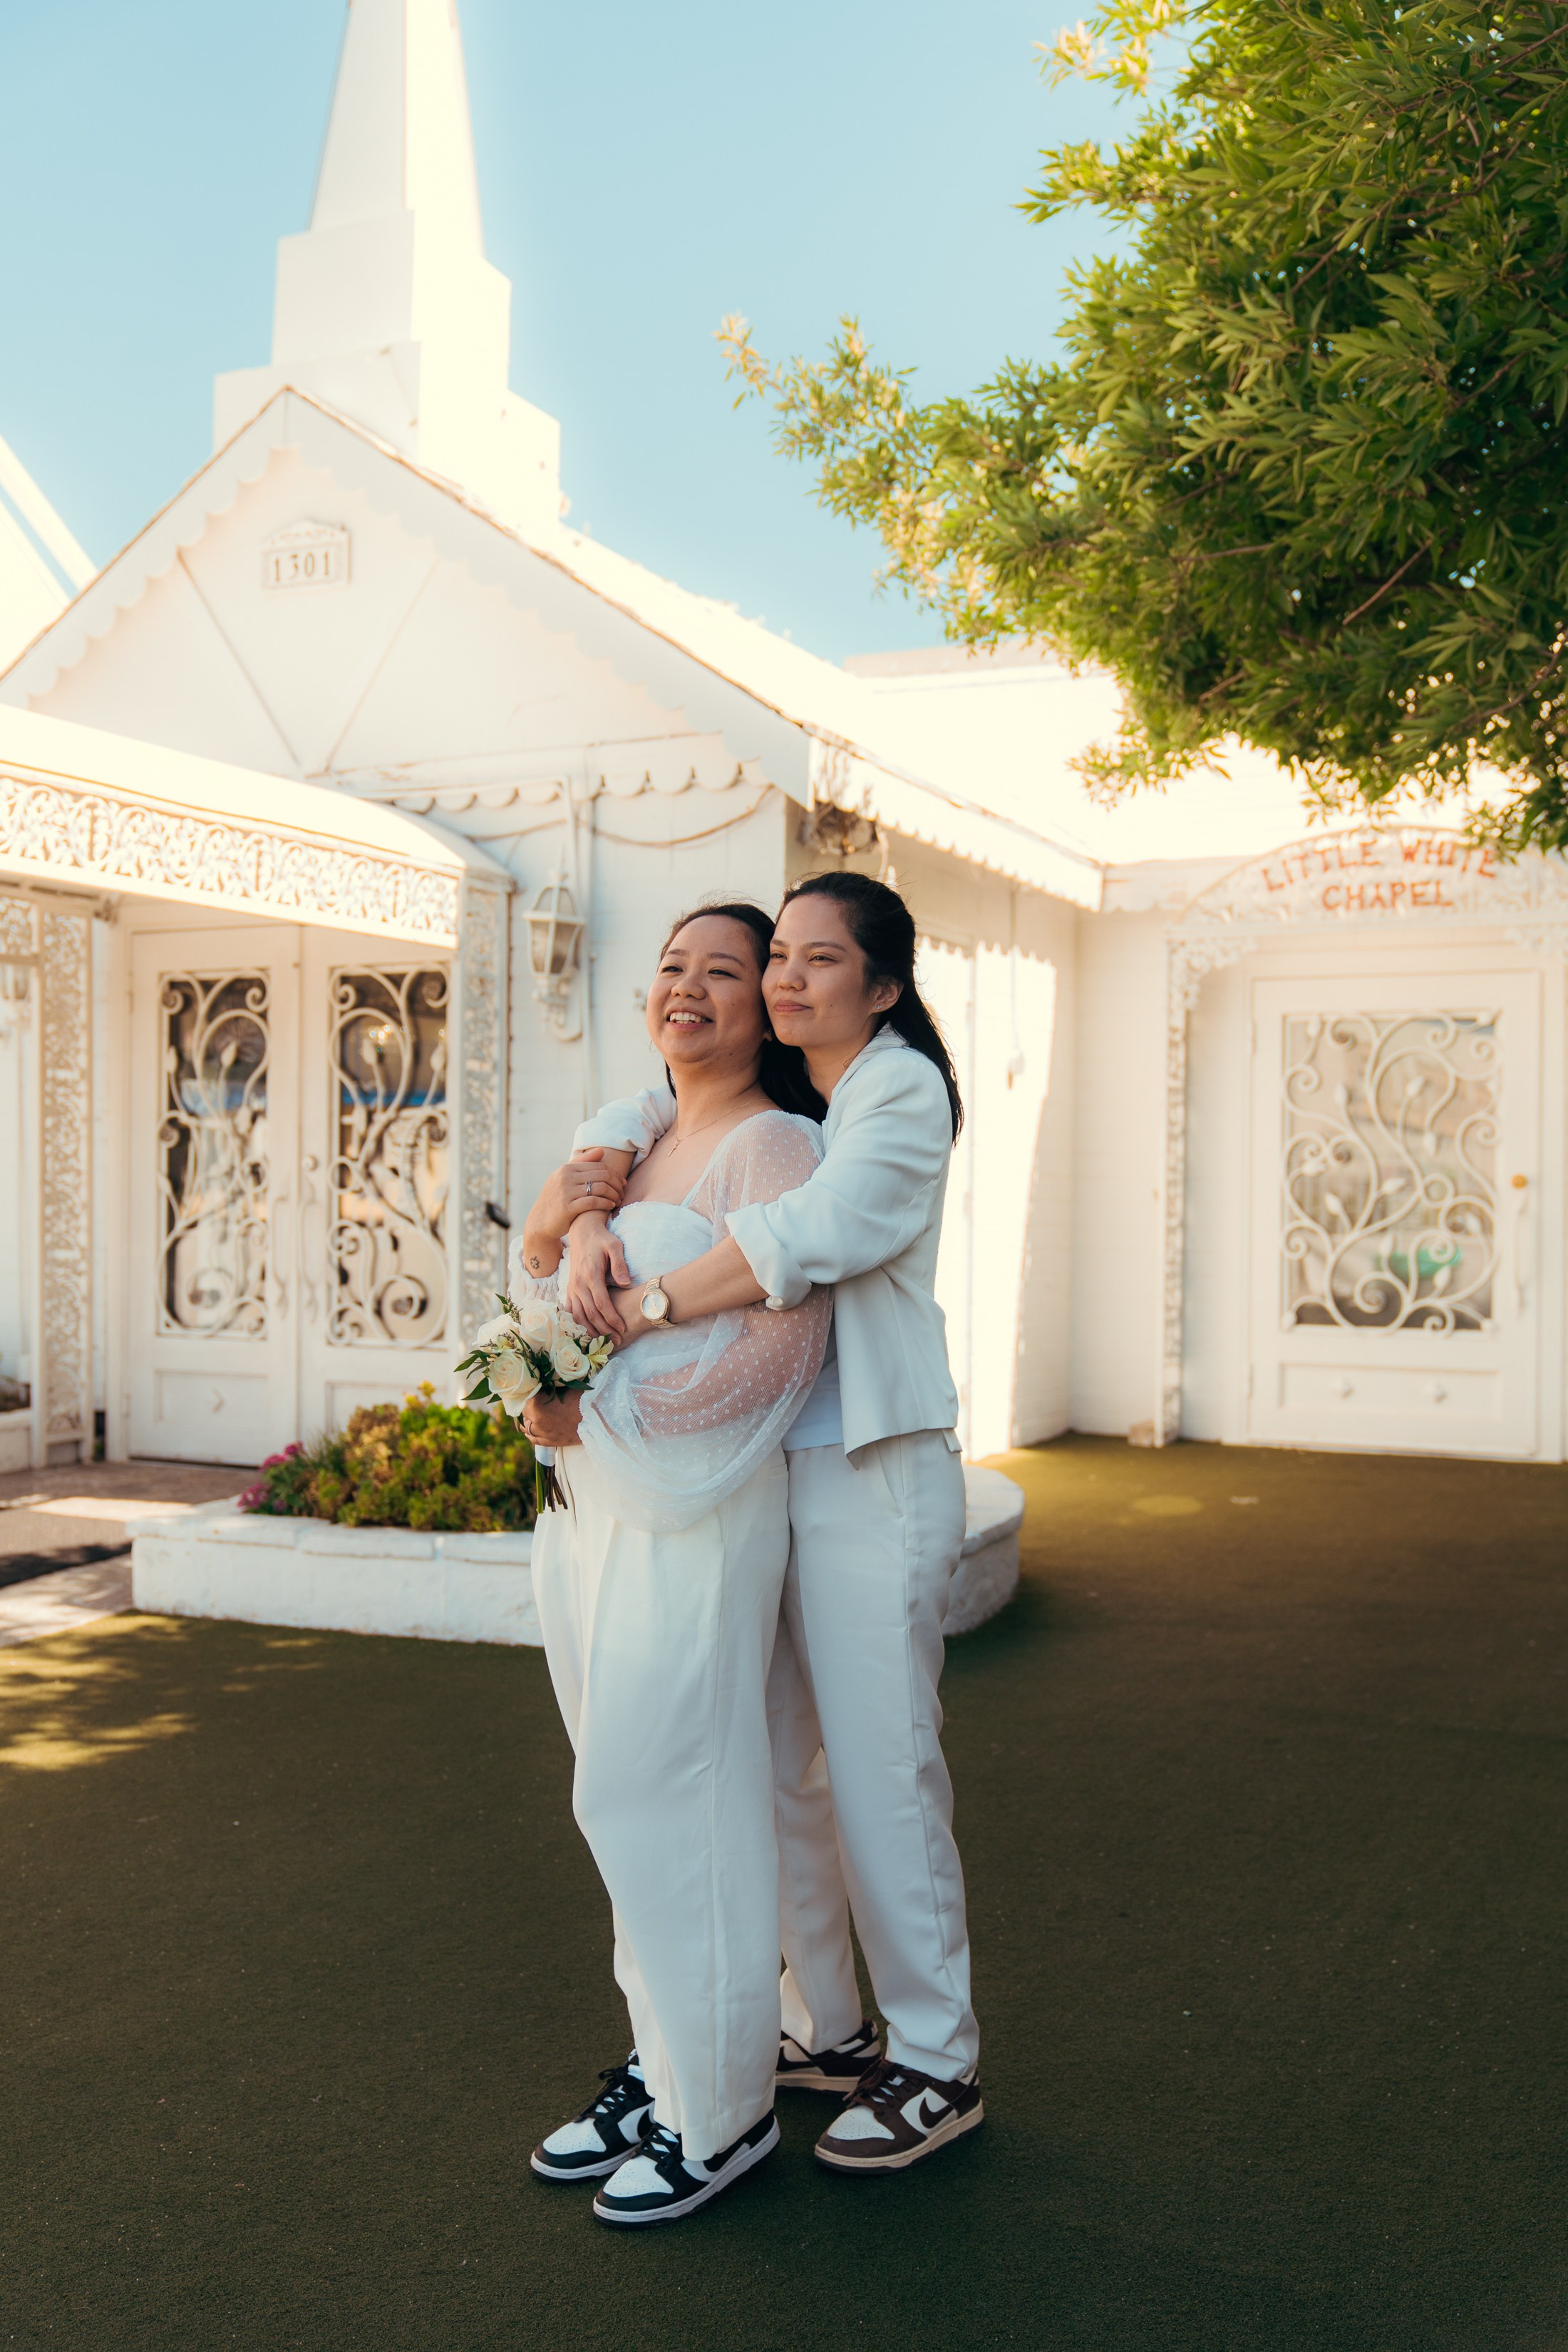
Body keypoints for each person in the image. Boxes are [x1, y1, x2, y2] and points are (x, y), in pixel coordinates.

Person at [562, 871, 983, 2176]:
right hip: (770, 1477)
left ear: (887, 985)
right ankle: (828, 2026)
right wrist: (589, 1199)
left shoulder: (898, 1089)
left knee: (879, 1768)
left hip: (872, 1471)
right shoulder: (812, 1093)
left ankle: (936, 2058)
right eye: (780, 958)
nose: (789, 978)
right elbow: (642, 1113)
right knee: (787, 1770)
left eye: (817, 960)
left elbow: (816, 1231)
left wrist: (648, 1308)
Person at [512, 904, 830, 2227]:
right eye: (670, 970)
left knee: (669, 1791)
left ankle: (728, 2113)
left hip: (693, 1514)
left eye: (723, 972)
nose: (687, 989)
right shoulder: (636, 1133)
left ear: (771, 1004)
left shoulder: (775, 1146)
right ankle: (669, 2064)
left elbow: (777, 1346)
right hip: (586, 1511)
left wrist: (606, 1410)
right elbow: (540, 1266)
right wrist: (544, 1372)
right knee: (618, 1786)